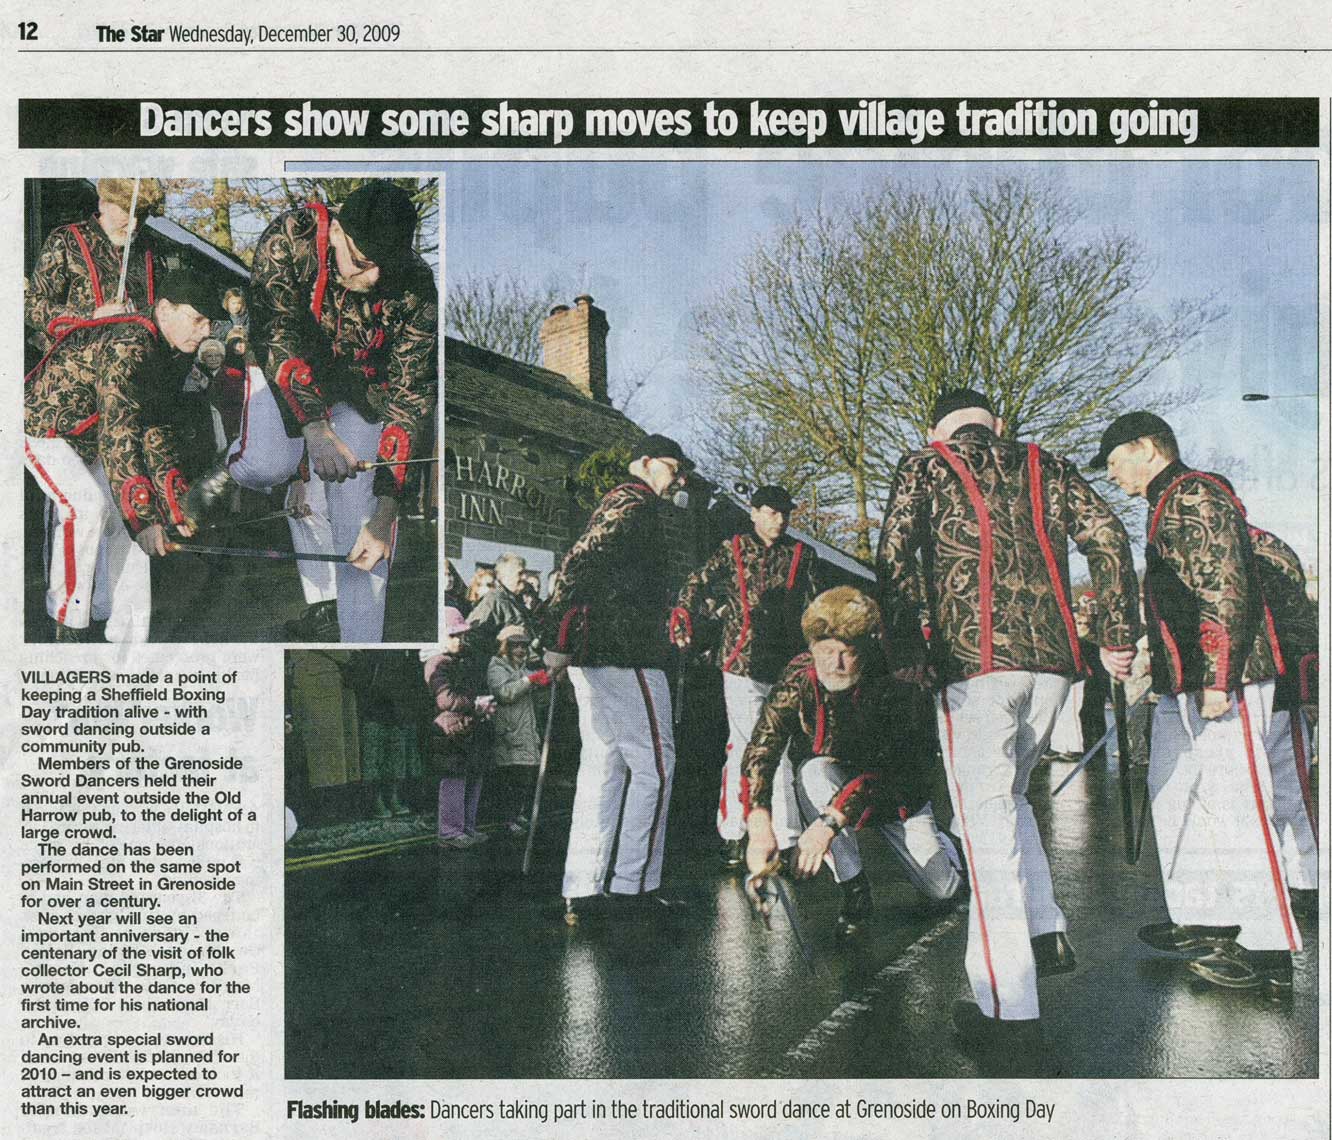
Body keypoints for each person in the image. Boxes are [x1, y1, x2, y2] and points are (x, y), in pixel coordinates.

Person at [877, 388, 1141, 1047]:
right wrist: (1117, 633)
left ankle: (1006, 1009)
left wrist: (906, 649)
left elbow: (894, 558)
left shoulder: (924, 464)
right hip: (1054, 666)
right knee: (1010, 801)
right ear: (996, 424)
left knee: (983, 825)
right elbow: (1108, 537)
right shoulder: (1046, 464)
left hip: (975, 667)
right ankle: (1044, 928)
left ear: (934, 427)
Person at [1094, 411, 1301, 995]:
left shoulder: (1195, 494)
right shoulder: (1172, 502)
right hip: (1186, 680)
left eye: (1115, 461)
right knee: (1175, 792)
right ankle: (1207, 915)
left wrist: (1218, 677)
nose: (1112, 475)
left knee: (1238, 806)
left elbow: (1225, 586)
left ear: (1147, 448)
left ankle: (1269, 947)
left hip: (1223, 677)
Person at [185, 181, 438, 643]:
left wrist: (385, 515)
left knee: (361, 522)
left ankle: (362, 644)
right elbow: (277, 333)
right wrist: (315, 429)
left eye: (386, 266)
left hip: (363, 388)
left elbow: (412, 396)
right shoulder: (289, 237)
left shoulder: (419, 286)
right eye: (361, 263)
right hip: (292, 366)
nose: (374, 279)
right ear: (337, 231)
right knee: (269, 463)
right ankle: (232, 464)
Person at [743, 587, 963, 937]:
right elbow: (762, 747)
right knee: (812, 772)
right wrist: (757, 825)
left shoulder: (895, 680)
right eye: (827, 651)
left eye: (848, 652)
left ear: (866, 648)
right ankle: (854, 889)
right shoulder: (799, 675)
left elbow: (888, 772)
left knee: (942, 892)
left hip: (899, 793)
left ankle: (951, 847)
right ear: (812, 647)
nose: (836, 664)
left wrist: (825, 825)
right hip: (839, 781)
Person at [24, 269, 220, 641]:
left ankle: (125, 630)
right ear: (164, 309)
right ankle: (67, 623)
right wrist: (144, 517)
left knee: (127, 520)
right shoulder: (128, 344)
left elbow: (155, 428)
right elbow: (121, 431)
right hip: (42, 425)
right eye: (197, 319)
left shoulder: (171, 348)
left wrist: (172, 508)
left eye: (209, 322)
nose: (206, 331)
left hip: (91, 434)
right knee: (87, 506)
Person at [542, 434, 692, 918]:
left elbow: (577, 564)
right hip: (627, 652)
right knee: (657, 765)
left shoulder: (621, 502)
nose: (680, 478)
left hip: (598, 651)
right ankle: (634, 885)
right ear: (646, 463)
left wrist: (560, 639)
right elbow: (577, 563)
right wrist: (554, 636)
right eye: (673, 467)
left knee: (603, 766)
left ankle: (583, 887)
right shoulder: (635, 502)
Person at [671, 484, 819, 867]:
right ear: (754, 513)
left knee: (779, 748)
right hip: (740, 663)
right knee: (745, 745)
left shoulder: (802, 555)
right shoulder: (733, 548)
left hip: (785, 664)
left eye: (784, 513)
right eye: (771, 512)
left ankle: (785, 837)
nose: (779, 519)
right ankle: (737, 832)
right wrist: (685, 614)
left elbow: (816, 607)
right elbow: (695, 581)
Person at [26, 178, 166, 346]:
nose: (134, 225)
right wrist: (92, 316)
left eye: (142, 215)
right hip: (74, 362)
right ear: (103, 203)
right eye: (126, 212)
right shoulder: (66, 240)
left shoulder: (150, 251)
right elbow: (30, 306)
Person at [424, 608, 496, 847]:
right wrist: (475, 704)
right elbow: (445, 699)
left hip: (465, 727)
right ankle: (449, 832)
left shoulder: (457, 660)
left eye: (462, 635)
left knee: (472, 777)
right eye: (453, 635)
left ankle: (466, 827)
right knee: (454, 780)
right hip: (450, 730)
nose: (460, 640)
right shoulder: (437, 662)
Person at [487, 626, 551, 831]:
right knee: (511, 779)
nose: (521, 650)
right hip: (509, 731)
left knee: (524, 777)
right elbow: (504, 692)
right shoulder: (496, 667)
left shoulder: (521, 668)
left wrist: (544, 679)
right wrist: (529, 681)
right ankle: (508, 818)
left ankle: (517, 814)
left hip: (524, 730)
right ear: (505, 647)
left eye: (524, 646)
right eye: (516, 646)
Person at [347, 650, 424, 819]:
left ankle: (393, 796)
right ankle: (377, 800)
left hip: (397, 705)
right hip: (374, 707)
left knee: (396, 756)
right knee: (374, 757)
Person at [467, 552, 531, 646]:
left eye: (525, 573)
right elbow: (472, 636)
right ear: (502, 575)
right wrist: (499, 641)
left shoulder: (516, 601)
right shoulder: (494, 599)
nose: (525, 577)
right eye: (520, 573)